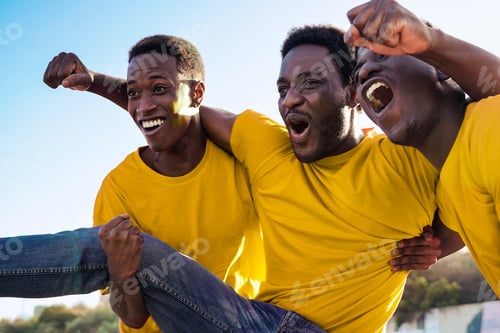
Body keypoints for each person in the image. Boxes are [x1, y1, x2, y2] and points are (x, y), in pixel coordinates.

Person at [0, 1, 475, 332]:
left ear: (353, 91)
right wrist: (96, 83)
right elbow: (173, 111)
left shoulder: (407, 157)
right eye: (283, 87)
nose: (291, 98)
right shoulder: (266, 145)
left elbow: (479, 180)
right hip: (249, 322)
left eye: (310, 81)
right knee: (121, 244)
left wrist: (439, 245)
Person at [44, 34, 267, 332]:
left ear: (197, 93)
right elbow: (132, 318)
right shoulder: (119, 186)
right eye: (133, 93)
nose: (143, 106)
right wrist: (121, 273)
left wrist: (96, 80)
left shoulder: (243, 163)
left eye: (160, 89)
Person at [346, 0, 500, 297]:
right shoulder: (450, 186)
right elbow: (454, 230)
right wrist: (429, 248)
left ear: (439, 68)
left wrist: (431, 41)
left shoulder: (492, 128)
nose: (364, 73)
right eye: (357, 75)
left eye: (383, 53)